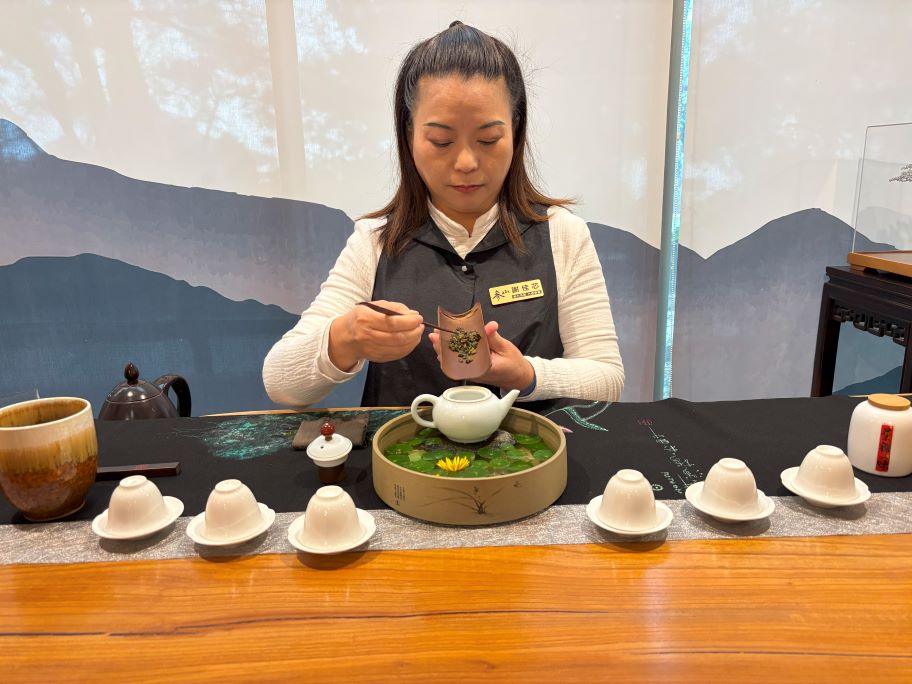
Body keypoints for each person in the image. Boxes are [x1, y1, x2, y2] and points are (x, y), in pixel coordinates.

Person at [263, 21, 624, 408]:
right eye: (441, 141)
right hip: (404, 464)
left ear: (516, 132)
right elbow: (281, 383)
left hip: (528, 463)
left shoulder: (563, 234)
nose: (466, 162)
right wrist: (345, 338)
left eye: (488, 139)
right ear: (409, 136)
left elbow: (607, 379)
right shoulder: (373, 241)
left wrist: (529, 375)